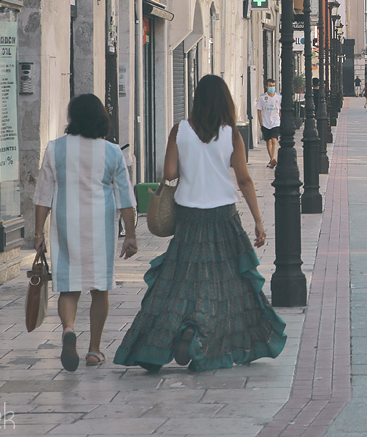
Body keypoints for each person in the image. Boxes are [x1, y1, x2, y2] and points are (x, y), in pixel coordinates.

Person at [115, 75, 285, 372]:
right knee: (227, 282)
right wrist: (258, 221)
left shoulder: (179, 130)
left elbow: (168, 172)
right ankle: (205, 339)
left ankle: (169, 337)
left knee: (179, 281)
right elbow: (244, 179)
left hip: (189, 217)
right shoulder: (232, 134)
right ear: (225, 101)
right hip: (223, 216)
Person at [34, 94, 137, 371]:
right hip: (100, 228)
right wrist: (130, 234)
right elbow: (125, 198)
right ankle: (94, 350)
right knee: (99, 288)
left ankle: (68, 330)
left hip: (66, 225)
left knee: (69, 286)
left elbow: (43, 196)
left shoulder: (55, 149)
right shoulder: (112, 152)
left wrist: (37, 234)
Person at [257, 80, 281, 169]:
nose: (272, 87)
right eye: (270, 85)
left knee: (274, 140)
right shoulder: (262, 98)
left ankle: (274, 158)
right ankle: (272, 159)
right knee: (268, 141)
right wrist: (260, 123)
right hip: (266, 122)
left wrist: (281, 120)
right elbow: (259, 110)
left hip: (275, 122)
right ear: (266, 86)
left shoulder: (279, 97)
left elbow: (280, 110)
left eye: (274, 85)